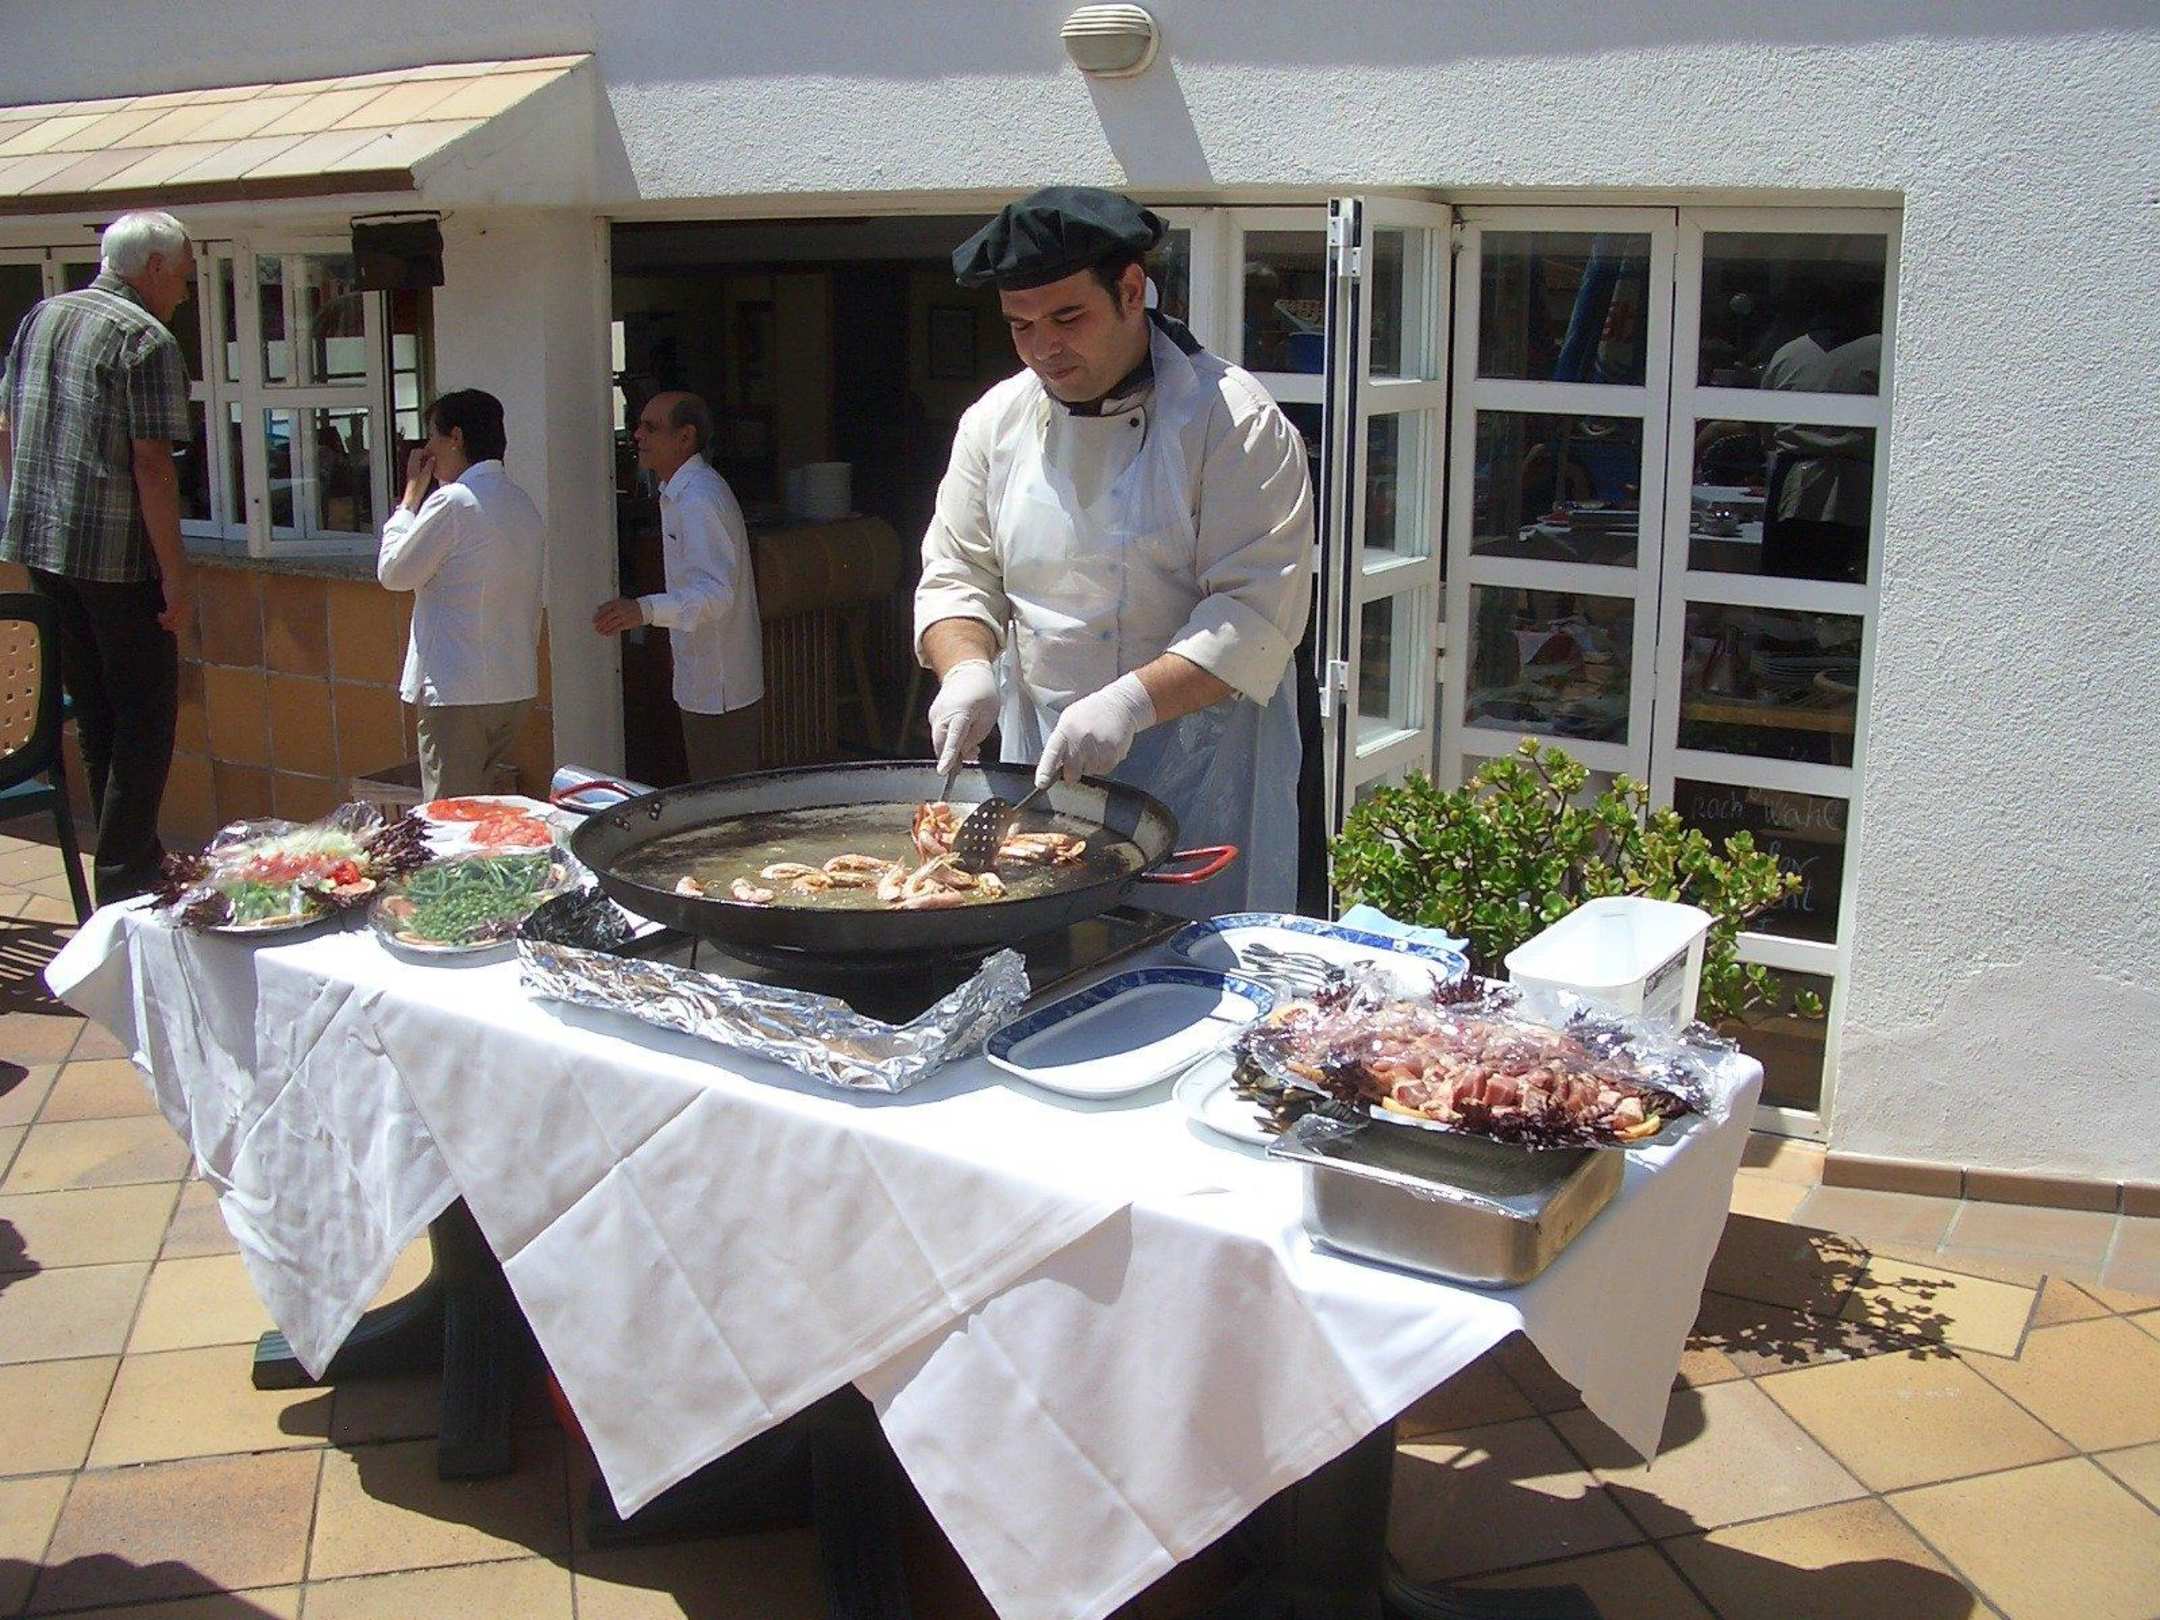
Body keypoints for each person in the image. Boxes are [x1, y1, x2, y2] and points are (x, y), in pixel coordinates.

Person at [916, 186, 1313, 916]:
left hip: (1203, 757)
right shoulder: (996, 422)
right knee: (1045, 935)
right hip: (1042, 752)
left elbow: (1254, 613)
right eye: (1020, 325)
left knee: (1185, 949)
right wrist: (966, 670)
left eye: (1068, 318)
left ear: (1131, 291)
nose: (1044, 348)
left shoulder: (1232, 421)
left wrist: (1128, 704)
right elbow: (958, 572)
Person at [0, 210, 193, 905]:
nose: (186, 292)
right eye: (183, 276)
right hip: (117, 560)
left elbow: (8, 427)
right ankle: (123, 880)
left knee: (99, 714)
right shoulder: (145, 338)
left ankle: (128, 865)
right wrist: (175, 575)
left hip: (44, 548)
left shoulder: (41, 317)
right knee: (145, 716)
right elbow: (153, 465)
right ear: (153, 268)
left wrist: (26, 506)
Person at [377, 389, 546, 799]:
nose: (428, 451)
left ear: (456, 437)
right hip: (511, 685)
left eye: (433, 438)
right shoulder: (520, 501)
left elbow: (393, 572)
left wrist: (408, 501)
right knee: (479, 809)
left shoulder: (453, 502)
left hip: (458, 689)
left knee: (449, 816)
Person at [592, 391, 763, 781]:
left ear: (685, 437)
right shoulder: (684, 492)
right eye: (638, 425)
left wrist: (643, 610)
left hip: (719, 689)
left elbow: (716, 594)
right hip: (707, 682)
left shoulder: (698, 498)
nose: (638, 435)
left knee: (722, 804)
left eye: (651, 428)